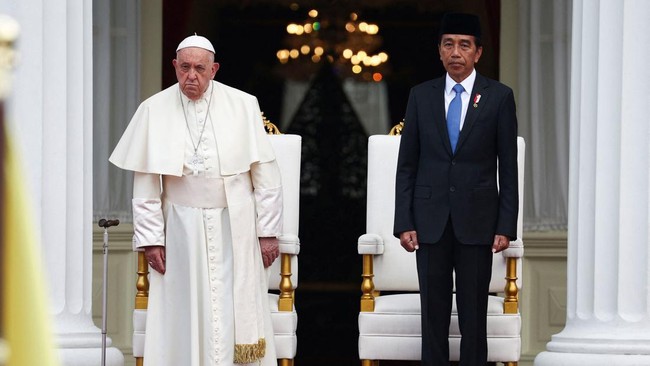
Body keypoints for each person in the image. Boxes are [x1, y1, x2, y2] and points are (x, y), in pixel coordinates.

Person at [109, 34, 282, 366]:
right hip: (180, 227)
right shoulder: (153, 109)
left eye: (200, 68)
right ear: (174, 66)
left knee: (233, 303)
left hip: (235, 224)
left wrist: (268, 231)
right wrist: (150, 240)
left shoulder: (244, 104)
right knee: (183, 308)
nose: (191, 76)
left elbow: (266, 176)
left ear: (214, 69)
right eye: (184, 67)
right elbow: (145, 185)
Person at [393, 13, 519, 366]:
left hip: (478, 223)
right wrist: (404, 220)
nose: (456, 52)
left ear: (478, 52)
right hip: (429, 222)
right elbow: (407, 165)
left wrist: (505, 225)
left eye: (465, 45)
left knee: (473, 317)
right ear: (439, 51)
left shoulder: (498, 97)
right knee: (432, 316)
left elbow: (508, 168)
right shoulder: (421, 96)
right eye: (448, 44)